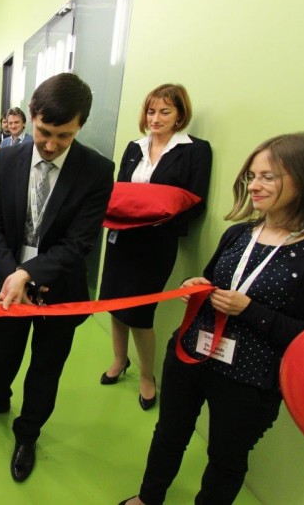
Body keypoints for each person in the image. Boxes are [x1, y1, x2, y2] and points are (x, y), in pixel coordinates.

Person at [120, 132, 304, 505]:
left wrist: (252, 311)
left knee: (226, 459)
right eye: (250, 176)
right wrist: (195, 286)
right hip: (191, 357)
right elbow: (212, 281)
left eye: (267, 176)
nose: (253, 185)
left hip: (251, 381)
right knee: (169, 434)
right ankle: (148, 497)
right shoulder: (240, 233)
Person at [0, 72, 114, 482]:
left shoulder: (97, 170)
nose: (50, 144)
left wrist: (30, 274)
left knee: (46, 367)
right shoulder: (8, 159)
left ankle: (27, 433)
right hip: (8, 282)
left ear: (80, 125)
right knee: (1, 351)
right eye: (44, 131)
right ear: (31, 116)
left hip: (60, 289)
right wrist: (13, 276)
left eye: (64, 135)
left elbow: (80, 243)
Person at [98, 84, 212, 410]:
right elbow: (119, 193)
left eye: (165, 111)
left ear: (180, 115)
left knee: (140, 313)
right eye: (151, 111)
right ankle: (120, 360)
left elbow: (196, 202)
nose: (156, 118)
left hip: (157, 242)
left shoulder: (195, 150)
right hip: (121, 238)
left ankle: (148, 376)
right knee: (114, 303)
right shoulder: (134, 146)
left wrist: (161, 222)